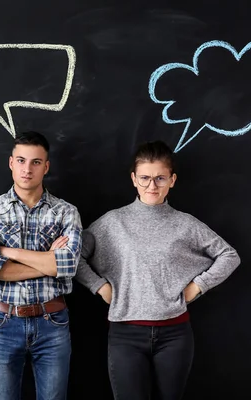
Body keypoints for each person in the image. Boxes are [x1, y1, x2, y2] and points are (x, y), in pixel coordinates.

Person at [75, 140, 240, 400]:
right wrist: (99, 286)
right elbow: (73, 257)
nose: (152, 186)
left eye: (160, 178)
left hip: (175, 334)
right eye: (145, 178)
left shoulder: (185, 224)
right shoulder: (112, 222)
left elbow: (229, 255)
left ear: (172, 180)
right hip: (125, 334)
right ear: (133, 179)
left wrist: (198, 286)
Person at [0, 131, 83, 400]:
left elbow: (68, 266)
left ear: (46, 167)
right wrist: (48, 262)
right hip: (3, 321)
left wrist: (9, 252)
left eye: (35, 162)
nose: (27, 169)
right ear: (11, 163)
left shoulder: (66, 212)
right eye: (21, 160)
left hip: (52, 321)